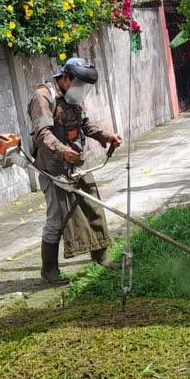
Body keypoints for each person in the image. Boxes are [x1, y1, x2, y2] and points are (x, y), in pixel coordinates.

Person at [28, 57, 122, 285]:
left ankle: (100, 256)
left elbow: (85, 125)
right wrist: (62, 151)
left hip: (76, 162)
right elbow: (42, 134)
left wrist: (107, 136)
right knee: (57, 218)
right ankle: (49, 270)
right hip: (52, 167)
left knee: (92, 205)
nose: (82, 91)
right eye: (79, 85)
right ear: (66, 78)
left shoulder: (73, 97)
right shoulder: (43, 97)